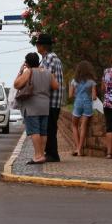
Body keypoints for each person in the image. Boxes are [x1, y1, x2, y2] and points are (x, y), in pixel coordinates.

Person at [14, 52, 59, 164]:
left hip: (31, 105)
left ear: (27, 63)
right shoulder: (47, 72)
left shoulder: (29, 72)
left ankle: (38, 155)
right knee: (43, 132)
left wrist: (20, 71)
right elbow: (55, 86)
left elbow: (17, 85)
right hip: (45, 105)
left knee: (35, 131)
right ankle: (42, 154)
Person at [36, 34, 64, 162]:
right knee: (50, 127)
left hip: (50, 100)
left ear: (42, 46)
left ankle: (52, 154)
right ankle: (51, 153)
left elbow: (46, 77)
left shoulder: (49, 58)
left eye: (38, 44)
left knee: (49, 128)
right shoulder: (53, 58)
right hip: (54, 100)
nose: (36, 46)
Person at [69, 61, 97, 157]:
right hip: (87, 104)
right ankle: (80, 149)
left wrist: (77, 94)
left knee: (74, 125)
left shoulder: (74, 81)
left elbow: (70, 95)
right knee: (83, 126)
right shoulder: (92, 82)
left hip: (78, 103)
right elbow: (94, 97)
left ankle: (77, 148)